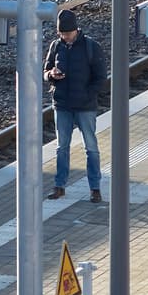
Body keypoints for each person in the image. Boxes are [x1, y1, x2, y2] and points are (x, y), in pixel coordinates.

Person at [44, 12, 106, 203]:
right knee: (62, 147)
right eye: (62, 33)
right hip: (62, 105)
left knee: (91, 148)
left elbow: (101, 77)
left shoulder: (91, 47)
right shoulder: (56, 46)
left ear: (76, 29)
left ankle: (95, 188)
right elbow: (45, 71)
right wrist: (51, 75)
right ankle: (59, 186)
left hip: (85, 106)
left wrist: (88, 95)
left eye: (68, 33)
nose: (65, 37)